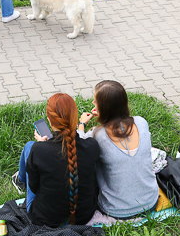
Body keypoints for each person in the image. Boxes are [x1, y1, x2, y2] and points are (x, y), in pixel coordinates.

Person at [76, 80, 160, 219]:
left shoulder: (97, 134)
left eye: (96, 101)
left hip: (116, 210)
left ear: (104, 108)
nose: (92, 103)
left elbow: (79, 145)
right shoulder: (141, 122)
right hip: (150, 202)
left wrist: (81, 124)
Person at [15, 93, 100, 228]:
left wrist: (41, 145)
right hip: (84, 215)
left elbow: (35, 187)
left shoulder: (38, 150)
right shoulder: (92, 146)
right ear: (74, 117)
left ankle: (19, 181)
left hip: (46, 218)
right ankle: (19, 180)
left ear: (49, 120)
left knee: (29, 146)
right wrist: (82, 125)